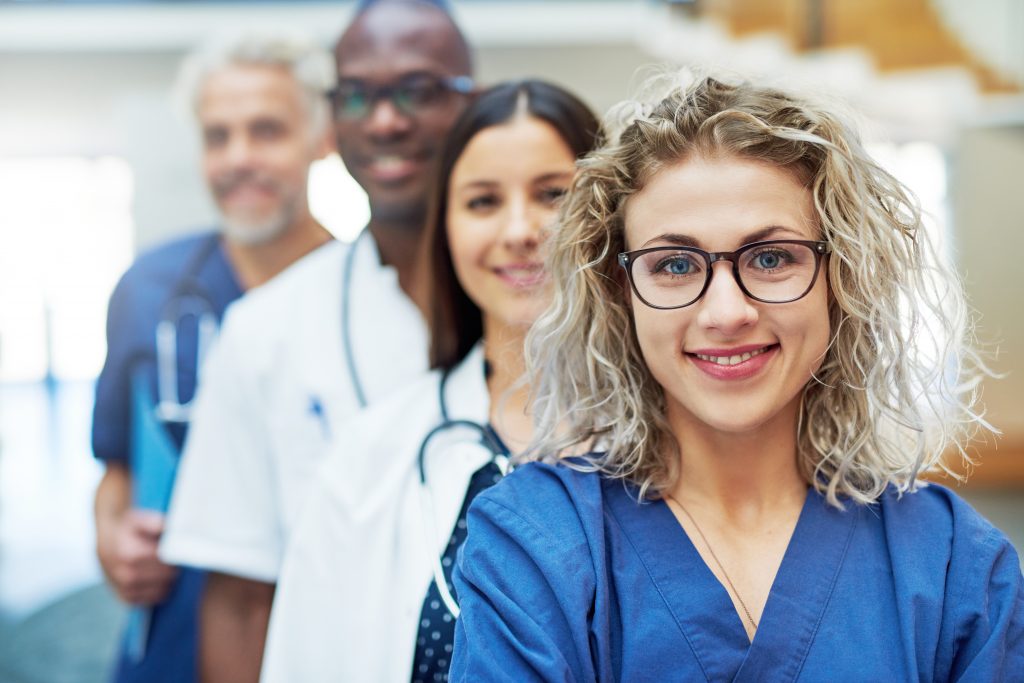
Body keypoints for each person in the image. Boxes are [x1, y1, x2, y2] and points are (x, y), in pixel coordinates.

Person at [450, 74, 1024, 680]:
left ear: (840, 278)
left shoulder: (951, 563)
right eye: (674, 264)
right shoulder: (535, 546)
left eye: (772, 257)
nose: (727, 313)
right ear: (622, 293)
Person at [158, 1, 475, 680]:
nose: (386, 119)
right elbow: (241, 600)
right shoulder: (265, 329)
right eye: (358, 95)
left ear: (472, 104)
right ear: (334, 119)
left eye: (418, 90)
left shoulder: (555, 314)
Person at [258, 80, 601, 683]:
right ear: (444, 229)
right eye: (482, 201)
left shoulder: (674, 441)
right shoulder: (369, 454)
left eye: (552, 194)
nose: (520, 229)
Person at [91, 29, 335, 683]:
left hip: (316, 640)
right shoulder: (150, 288)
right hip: (171, 637)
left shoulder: (366, 296)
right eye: (217, 136)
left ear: (323, 137)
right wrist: (112, 540)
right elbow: (115, 470)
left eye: (266, 131)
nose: (238, 157)